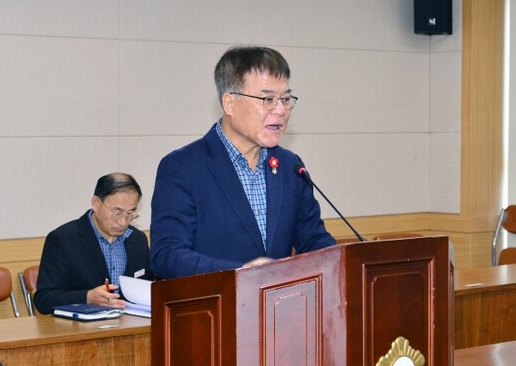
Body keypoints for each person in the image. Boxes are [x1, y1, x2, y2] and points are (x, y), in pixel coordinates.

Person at [150, 45, 336, 279]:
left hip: (279, 301)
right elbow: (167, 256)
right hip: (215, 300)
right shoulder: (182, 168)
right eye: (268, 99)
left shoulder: (290, 166)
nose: (281, 110)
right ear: (230, 103)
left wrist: (341, 258)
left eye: (286, 99)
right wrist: (239, 274)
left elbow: (313, 240)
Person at [33, 172, 152, 314]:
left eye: (130, 213)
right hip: (80, 325)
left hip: (130, 324)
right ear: (96, 203)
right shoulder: (63, 239)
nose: (123, 222)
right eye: (117, 212)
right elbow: (44, 299)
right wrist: (87, 297)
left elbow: (147, 289)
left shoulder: (138, 240)